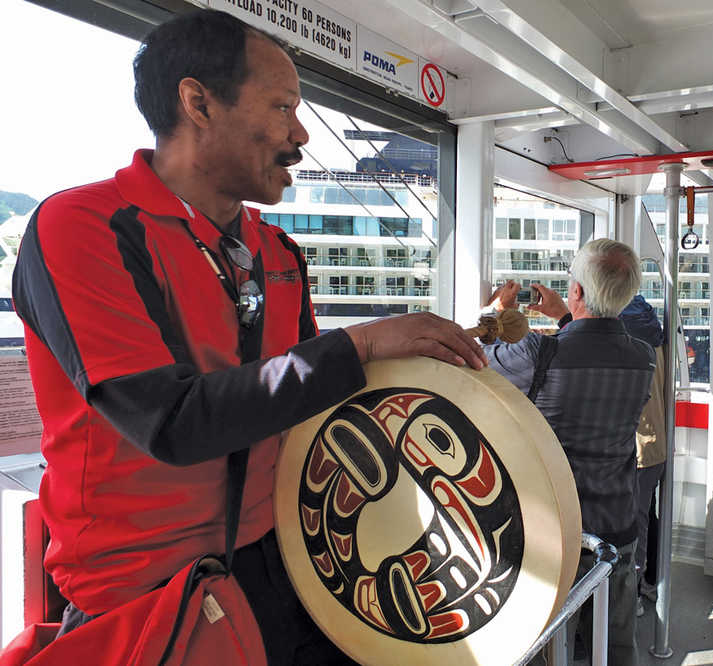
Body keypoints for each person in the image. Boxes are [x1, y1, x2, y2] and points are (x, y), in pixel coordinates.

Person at [11, 9, 485, 664]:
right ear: (198, 102)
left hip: (285, 565)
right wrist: (364, 344)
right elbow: (173, 421)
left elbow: (308, 415)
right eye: (283, 106)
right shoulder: (83, 227)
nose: (301, 132)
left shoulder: (278, 250)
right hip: (145, 598)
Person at [487, 239, 654, 666]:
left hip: (553, 530)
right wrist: (565, 315)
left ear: (576, 291)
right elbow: (591, 346)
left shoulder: (538, 353)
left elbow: (476, 362)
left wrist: (494, 311)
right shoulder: (643, 356)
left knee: (544, 645)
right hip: (618, 521)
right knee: (616, 645)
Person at [618, 294, 667, 614]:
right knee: (647, 518)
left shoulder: (625, 343)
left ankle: (631, 594)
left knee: (632, 527)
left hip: (636, 446)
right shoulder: (654, 333)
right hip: (656, 445)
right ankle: (651, 580)